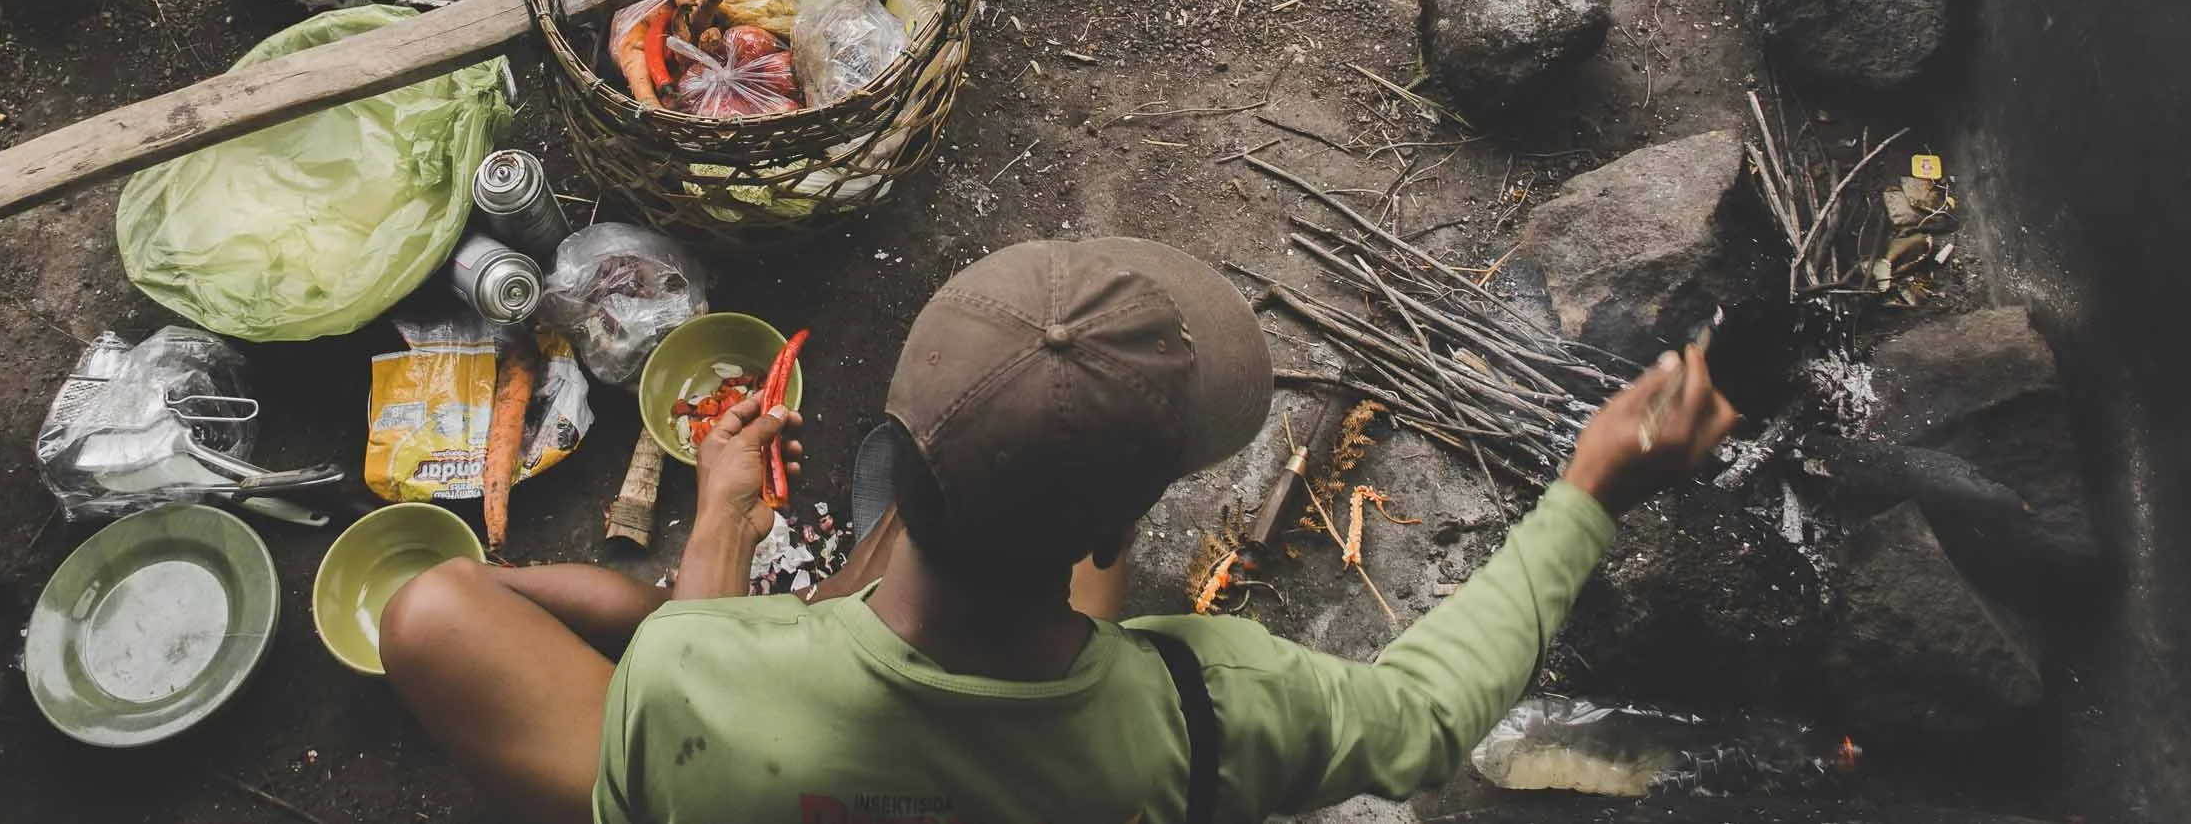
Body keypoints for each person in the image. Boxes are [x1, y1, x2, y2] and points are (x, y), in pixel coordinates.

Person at [380, 236, 1738, 823]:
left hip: (767, 739)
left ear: (909, 441)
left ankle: (861, 539)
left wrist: (720, 519)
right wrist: (1588, 494)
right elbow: (1429, 717)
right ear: (1117, 523)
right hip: (1054, 742)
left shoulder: (692, 669)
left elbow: (710, 638)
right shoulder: (1206, 706)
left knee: (431, 612)